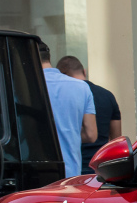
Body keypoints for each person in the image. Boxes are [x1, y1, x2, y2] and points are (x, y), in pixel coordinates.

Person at [56, 55, 122, 173]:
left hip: (74, 165)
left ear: (63, 75)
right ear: (84, 71)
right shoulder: (107, 95)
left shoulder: (65, 97)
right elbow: (116, 139)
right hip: (100, 165)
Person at [40, 43, 96, 177]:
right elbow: (91, 135)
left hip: (37, 174)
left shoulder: (21, 87)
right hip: (71, 173)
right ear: (49, 57)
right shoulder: (82, 87)